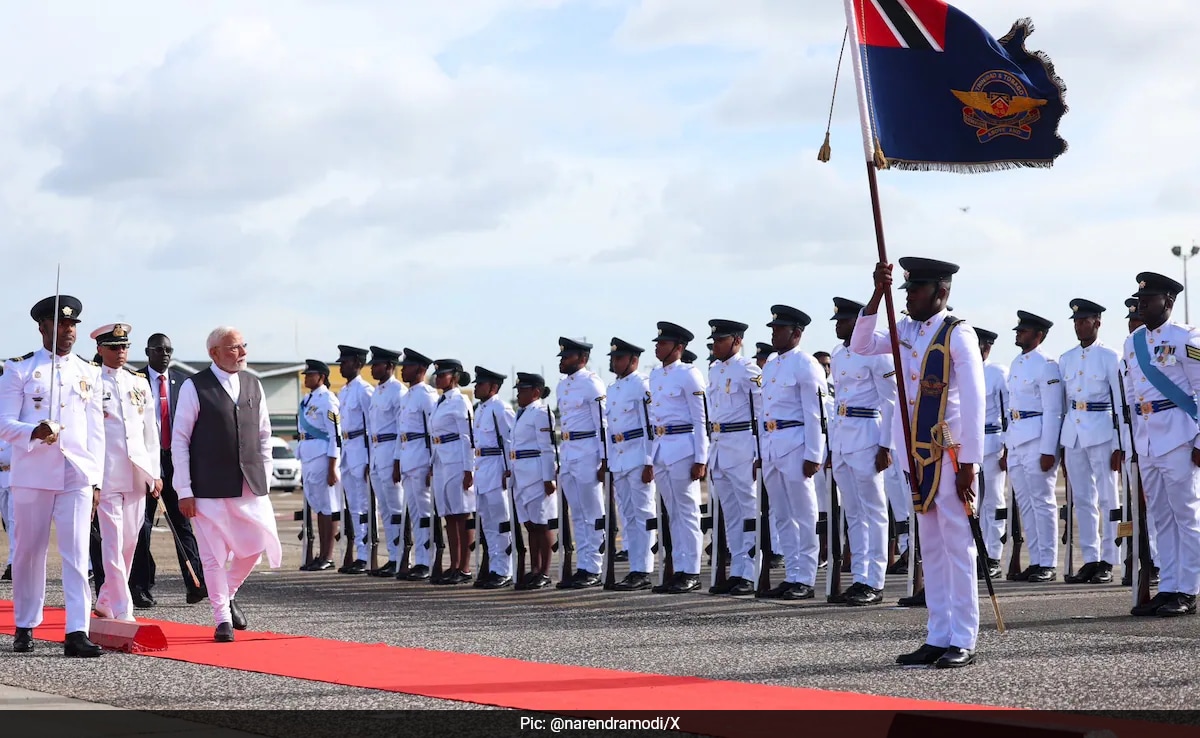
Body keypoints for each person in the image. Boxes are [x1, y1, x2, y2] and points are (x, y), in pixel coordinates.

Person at [852, 257, 985, 669]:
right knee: (931, 547)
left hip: (949, 455)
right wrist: (878, 294)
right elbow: (860, 345)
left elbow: (974, 401)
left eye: (915, 290)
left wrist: (970, 463)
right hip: (915, 454)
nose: (908, 296)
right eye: (906, 290)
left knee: (957, 546)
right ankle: (937, 634)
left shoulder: (957, 333)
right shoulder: (906, 330)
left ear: (940, 292)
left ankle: (963, 637)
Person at [0, 295, 105, 657]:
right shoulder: (20, 369)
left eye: (72, 324)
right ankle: (25, 623)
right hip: (32, 474)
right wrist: (34, 430)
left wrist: (97, 480)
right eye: (61, 324)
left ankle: (77, 630)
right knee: (29, 552)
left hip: (76, 473)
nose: (68, 331)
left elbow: (96, 433)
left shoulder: (88, 372)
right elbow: (4, 424)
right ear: (42, 326)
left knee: (77, 554)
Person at [174, 326, 282, 642]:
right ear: (214, 353)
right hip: (207, 488)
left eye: (243, 345)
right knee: (212, 557)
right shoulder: (195, 387)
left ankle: (228, 592)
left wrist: (265, 474)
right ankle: (222, 618)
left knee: (255, 546)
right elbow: (180, 440)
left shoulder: (253, 384)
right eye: (234, 347)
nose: (242, 353)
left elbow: (264, 434)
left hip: (249, 486)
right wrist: (184, 490)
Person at [1124, 273, 1200, 617]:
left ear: (1168, 302)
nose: (1141, 305)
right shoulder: (1133, 342)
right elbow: (1130, 396)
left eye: (1148, 300)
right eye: (1140, 300)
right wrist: (1132, 444)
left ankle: (1188, 589)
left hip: (1179, 436)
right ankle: (1168, 586)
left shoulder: (1186, 338)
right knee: (1161, 517)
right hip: (1147, 439)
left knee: (1187, 515)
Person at [90, 323, 161, 623]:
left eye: (124, 347)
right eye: (114, 347)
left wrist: (154, 472)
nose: (120, 352)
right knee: (113, 540)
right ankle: (123, 606)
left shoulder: (138, 382)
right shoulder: (91, 380)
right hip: (106, 472)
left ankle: (106, 599)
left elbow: (150, 432)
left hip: (136, 472)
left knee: (131, 540)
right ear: (100, 349)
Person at [129, 332, 206, 608]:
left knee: (182, 522)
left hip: (175, 460)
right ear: (148, 352)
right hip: (146, 460)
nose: (165, 355)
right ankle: (140, 587)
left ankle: (196, 582)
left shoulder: (183, 383)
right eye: (159, 350)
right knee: (143, 526)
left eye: (168, 351)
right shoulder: (134, 380)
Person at [828, 298, 896, 606]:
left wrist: (886, 445)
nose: (837, 326)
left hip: (868, 434)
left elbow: (890, 402)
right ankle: (859, 577)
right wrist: (833, 445)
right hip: (843, 438)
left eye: (843, 321)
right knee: (853, 512)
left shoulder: (877, 353)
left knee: (874, 511)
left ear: (857, 323)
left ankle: (875, 581)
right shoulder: (838, 354)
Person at [758, 306, 825, 601]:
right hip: (773, 445)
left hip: (796, 444)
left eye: (779, 329)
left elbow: (815, 413)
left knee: (804, 514)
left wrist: (814, 453)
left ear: (796, 333)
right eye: (773, 329)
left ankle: (806, 578)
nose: (773, 334)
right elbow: (764, 412)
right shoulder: (771, 365)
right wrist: (762, 450)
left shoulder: (806, 364)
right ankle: (792, 573)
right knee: (782, 515)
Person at [1058, 300, 1123, 585]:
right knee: (1083, 499)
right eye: (1075, 321)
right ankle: (1091, 558)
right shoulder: (1066, 358)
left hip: (1102, 432)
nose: (1078, 326)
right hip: (1073, 433)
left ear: (1097, 322)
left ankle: (1109, 559)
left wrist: (1120, 444)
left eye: (1083, 321)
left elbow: (1120, 405)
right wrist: (1061, 444)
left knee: (1108, 498)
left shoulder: (1110, 357)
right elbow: (1063, 405)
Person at [647, 322, 709, 594]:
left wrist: (701, 458)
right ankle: (679, 569)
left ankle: (692, 571)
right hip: (662, 448)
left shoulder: (689, 375)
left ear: (678, 347)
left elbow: (701, 419)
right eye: (657, 343)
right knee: (673, 513)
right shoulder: (655, 376)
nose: (657, 347)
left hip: (684, 447)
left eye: (663, 343)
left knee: (688, 512)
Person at [1005, 311, 1064, 583]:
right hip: (1016, 438)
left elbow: (1053, 410)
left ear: (1038, 335)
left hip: (1038, 439)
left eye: (1024, 330)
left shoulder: (1047, 365)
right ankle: (1036, 559)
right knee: (1025, 503)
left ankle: (1048, 562)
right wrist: (1008, 444)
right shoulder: (1016, 362)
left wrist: (1049, 449)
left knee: (1043, 502)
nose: (1018, 333)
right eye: (1018, 330)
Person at [704, 320, 761, 596]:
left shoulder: (748, 369)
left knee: (748, 511)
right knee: (730, 514)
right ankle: (737, 569)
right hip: (719, 445)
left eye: (720, 340)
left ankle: (750, 572)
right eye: (714, 341)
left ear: (737, 341)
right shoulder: (714, 370)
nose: (715, 345)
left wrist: (759, 452)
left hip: (742, 445)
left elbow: (761, 412)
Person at [603, 338, 657, 591]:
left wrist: (649, 461)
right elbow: (610, 429)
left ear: (633, 360)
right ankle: (635, 567)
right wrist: (609, 460)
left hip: (638, 456)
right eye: (613, 358)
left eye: (619, 358)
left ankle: (643, 569)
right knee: (628, 516)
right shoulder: (613, 389)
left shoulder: (642, 385)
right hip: (619, 458)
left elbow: (651, 424)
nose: (614, 362)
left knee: (643, 514)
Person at [554, 338, 607, 589]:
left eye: (567, 357)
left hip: (588, 451)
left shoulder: (592, 383)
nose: (562, 361)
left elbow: (602, 424)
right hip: (568, 451)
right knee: (577, 515)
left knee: (591, 512)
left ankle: (594, 567)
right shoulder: (561, 386)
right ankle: (583, 565)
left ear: (582, 359)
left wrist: (604, 459)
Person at [428, 359, 476, 584]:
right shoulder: (440, 402)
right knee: (448, 513)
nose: (438, 378)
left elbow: (468, 437)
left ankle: (464, 567)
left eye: (442, 375)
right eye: (437, 375)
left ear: (455, 377)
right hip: (441, 461)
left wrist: (469, 469)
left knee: (461, 513)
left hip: (457, 460)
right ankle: (454, 564)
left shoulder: (460, 401)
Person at [509, 373, 558, 590]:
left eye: (523, 390)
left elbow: (547, 448)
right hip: (521, 473)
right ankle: (535, 568)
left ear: (536, 392)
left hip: (536, 473)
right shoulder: (521, 413)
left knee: (542, 523)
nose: (518, 394)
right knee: (530, 524)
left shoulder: (541, 413)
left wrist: (548, 478)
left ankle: (544, 572)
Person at [471, 366, 516, 589]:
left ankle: (505, 570)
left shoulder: (501, 408)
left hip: (497, 468)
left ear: (493, 387)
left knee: (501, 522)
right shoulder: (480, 409)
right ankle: (494, 568)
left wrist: (508, 471)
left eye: (480, 384)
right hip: (482, 468)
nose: (476, 388)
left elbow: (510, 442)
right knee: (488, 524)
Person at [395, 349, 438, 581]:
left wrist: (432, 464)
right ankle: (418, 559)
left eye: (407, 366)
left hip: (421, 458)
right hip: (408, 458)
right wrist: (397, 461)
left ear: (420, 370)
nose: (403, 370)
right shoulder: (407, 397)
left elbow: (434, 433)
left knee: (424, 513)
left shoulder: (427, 396)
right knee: (414, 513)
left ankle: (426, 561)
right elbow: (401, 433)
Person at [297, 360, 341, 571]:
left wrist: (332, 467)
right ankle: (320, 555)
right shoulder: (307, 400)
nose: (306, 378)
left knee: (327, 507)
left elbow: (335, 435)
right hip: (308, 456)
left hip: (323, 456)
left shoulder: (328, 400)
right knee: (318, 507)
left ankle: (327, 555)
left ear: (322, 377)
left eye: (310, 374)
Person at [365, 346, 405, 578]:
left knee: (397, 508)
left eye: (376, 364)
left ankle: (403, 557)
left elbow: (401, 429)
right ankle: (392, 557)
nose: (372, 368)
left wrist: (398, 460)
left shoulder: (398, 392)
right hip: (377, 453)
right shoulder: (377, 392)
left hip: (391, 451)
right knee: (385, 510)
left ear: (389, 366)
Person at [335, 345, 374, 574]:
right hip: (348, 450)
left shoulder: (365, 391)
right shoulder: (344, 391)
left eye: (345, 362)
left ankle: (366, 555)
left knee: (363, 504)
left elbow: (371, 426)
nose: (341, 366)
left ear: (358, 364)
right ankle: (359, 552)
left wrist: (369, 458)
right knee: (353, 506)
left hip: (361, 449)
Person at [976, 328, 1008, 580]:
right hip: (969, 445)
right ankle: (978, 553)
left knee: (994, 502)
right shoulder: (960, 370)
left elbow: (1008, 413)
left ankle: (993, 555)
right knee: (973, 504)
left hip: (993, 441)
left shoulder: (997, 373)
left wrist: (1007, 447)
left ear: (987, 348)